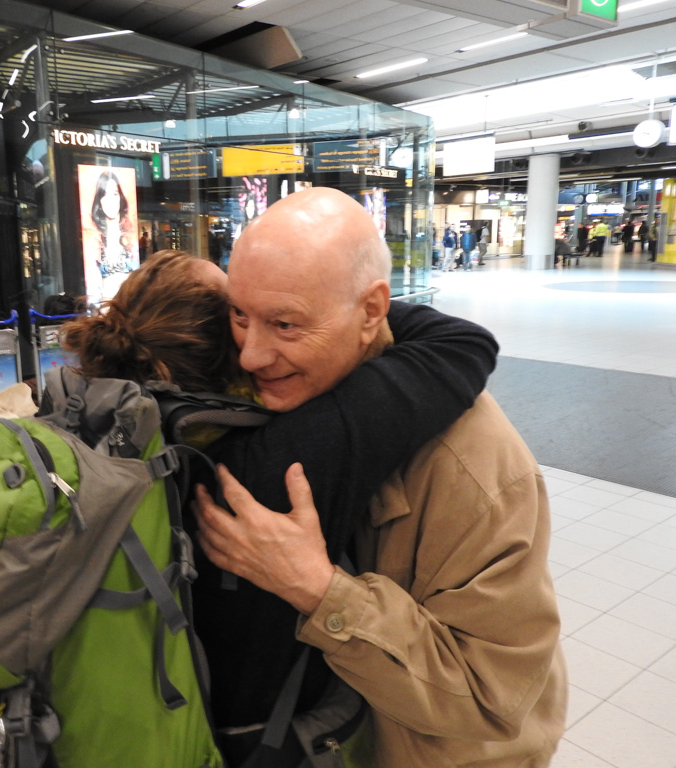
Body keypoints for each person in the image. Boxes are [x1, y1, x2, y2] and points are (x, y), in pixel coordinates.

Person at [193, 188, 566, 767]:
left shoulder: (478, 473)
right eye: (241, 316)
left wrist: (319, 589)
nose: (250, 355)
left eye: (286, 324)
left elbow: (490, 697)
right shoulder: (300, 386)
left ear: (370, 313)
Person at [90, 170, 137, 299]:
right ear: (99, 202)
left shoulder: (130, 239)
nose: (110, 200)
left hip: (129, 304)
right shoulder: (94, 242)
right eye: (104, 194)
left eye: (115, 194)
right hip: (105, 306)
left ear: (120, 198)